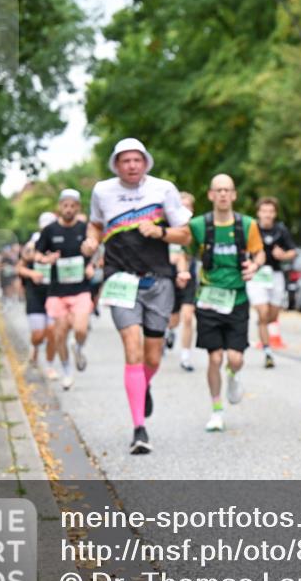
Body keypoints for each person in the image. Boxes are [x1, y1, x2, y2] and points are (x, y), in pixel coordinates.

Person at [82, 138, 192, 455]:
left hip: (158, 281)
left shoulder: (164, 189)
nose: (131, 165)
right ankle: (139, 429)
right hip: (120, 280)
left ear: (146, 162)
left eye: (137, 160)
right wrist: (91, 242)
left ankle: (144, 384)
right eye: (125, 160)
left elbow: (185, 234)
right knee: (132, 350)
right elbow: (95, 225)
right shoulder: (102, 191)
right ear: (116, 164)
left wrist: (160, 232)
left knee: (152, 358)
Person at [188, 174, 265, 432]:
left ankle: (233, 375)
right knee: (214, 358)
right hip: (208, 299)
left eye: (227, 190)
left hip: (237, 299)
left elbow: (259, 253)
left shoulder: (247, 224)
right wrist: (180, 270)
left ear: (234, 195)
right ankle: (216, 410)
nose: (223, 194)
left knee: (235, 359)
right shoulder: (198, 225)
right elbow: (183, 252)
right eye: (218, 190)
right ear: (211, 195)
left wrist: (254, 265)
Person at [36, 189, 95, 391]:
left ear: (78, 207)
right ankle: (67, 371)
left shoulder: (85, 228)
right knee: (60, 334)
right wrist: (46, 259)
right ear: (59, 207)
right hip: (57, 291)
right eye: (65, 205)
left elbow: (98, 250)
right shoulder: (50, 231)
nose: (69, 209)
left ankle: (78, 347)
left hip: (80, 289)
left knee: (80, 328)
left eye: (72, 206)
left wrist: (92, 265)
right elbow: (36, 254)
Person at [246, 196, 297, 368]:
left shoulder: (281, 230)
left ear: (274, 214)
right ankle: (268, 352)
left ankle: (262, 325)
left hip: (275, 275)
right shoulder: (251, 229)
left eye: (270, 211)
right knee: (263, 312)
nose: (267, 215)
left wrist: (283, 255)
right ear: (258, 213)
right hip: (257, 276)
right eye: (264, 211)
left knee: (272, 316)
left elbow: (293, 252)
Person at [165, 191, 199, 371]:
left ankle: (185, 356)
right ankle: (169, 332)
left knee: (188, 317)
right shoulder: (167, 226)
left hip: (189, 277)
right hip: (168, 277)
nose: (185, 210)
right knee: (173, 319)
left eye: (188, 206)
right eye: (182, 206)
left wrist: (184, 271)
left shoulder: (196, 229)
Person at [16, 232, 57, 369]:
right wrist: (32, 273)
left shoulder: (56, 249)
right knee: (38, 335)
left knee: (52, 332)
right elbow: (19, 268)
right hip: (35, 296)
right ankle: (34, 346)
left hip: (52, 295)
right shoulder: (30, 249)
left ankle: (49, 366)